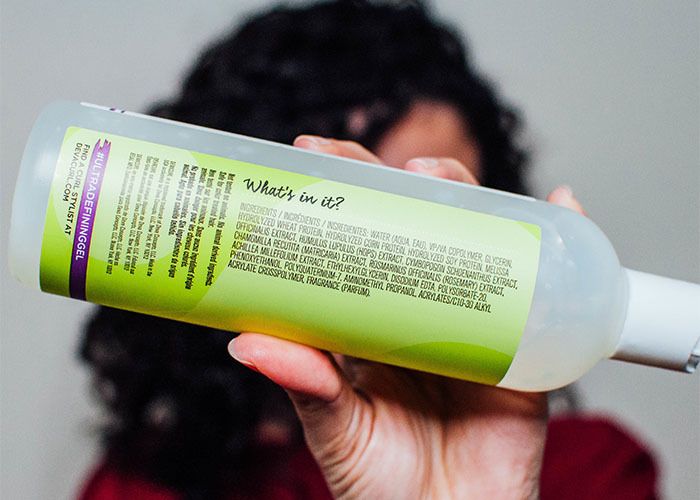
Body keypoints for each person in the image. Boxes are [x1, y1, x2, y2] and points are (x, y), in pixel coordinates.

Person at [77, 1, 659, 499]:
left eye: (438, 220)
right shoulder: (141, 484)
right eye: (364, 215)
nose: (400, 262)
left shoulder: (594, 473)